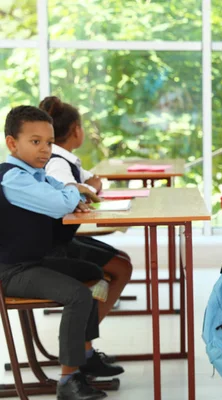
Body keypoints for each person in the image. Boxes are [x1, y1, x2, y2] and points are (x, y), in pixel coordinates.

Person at [0, 106, 124, 400]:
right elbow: (63, 200)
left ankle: (85, 351)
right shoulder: (13, 179)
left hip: (35, 261)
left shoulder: (37, 175)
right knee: (77, 294)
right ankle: (69, 380)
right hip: (12, 270)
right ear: (12, 143)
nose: (45, 149)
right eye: (35, 141)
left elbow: (67, 193)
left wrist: (72, 194)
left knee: (95, 277)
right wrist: (73, 192)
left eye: (49, 142)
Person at [40, 96, 133, 324]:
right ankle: (83, 341)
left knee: (123, 262)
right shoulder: (58, 163)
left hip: (58, 240)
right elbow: (70, 194)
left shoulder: (63, 158)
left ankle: (84, 339)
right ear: (76, 130)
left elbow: (91, 181)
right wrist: (83, 190)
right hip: (51, 248)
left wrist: (88, 186)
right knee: (121, 267)